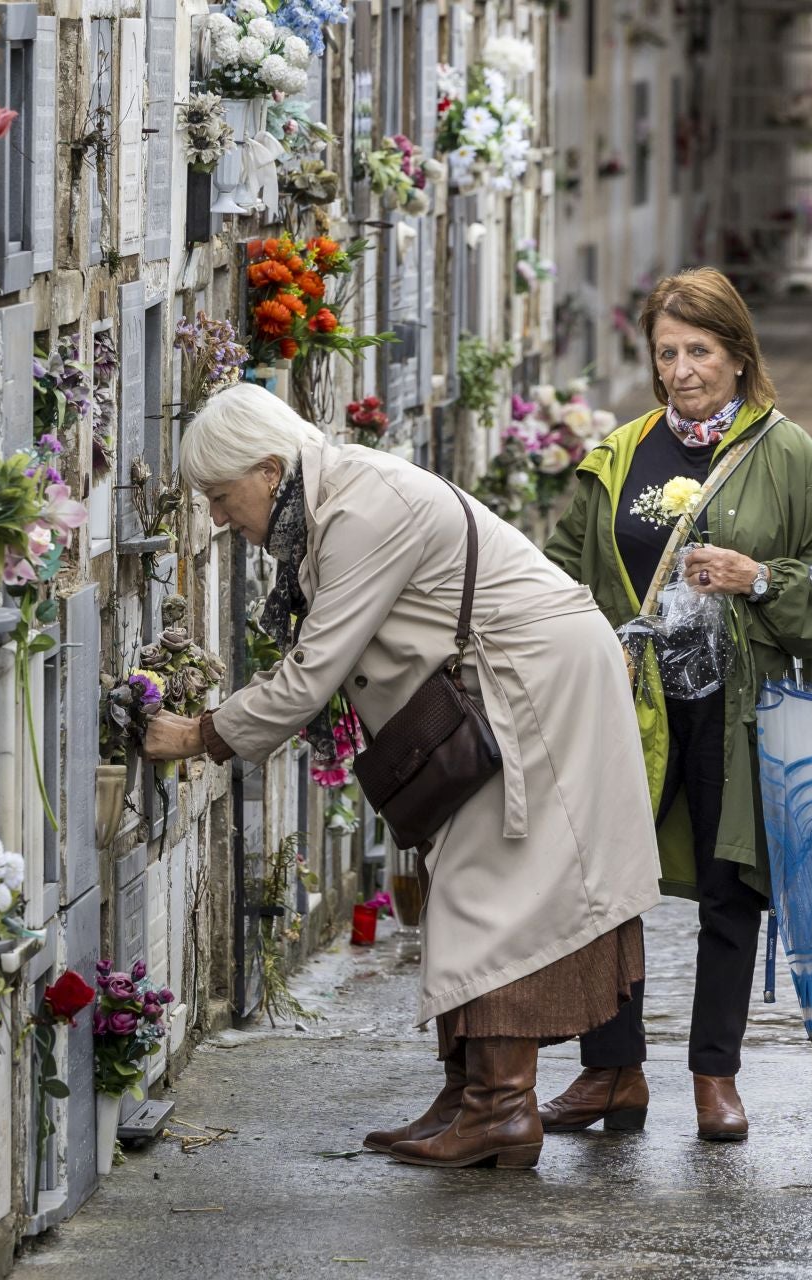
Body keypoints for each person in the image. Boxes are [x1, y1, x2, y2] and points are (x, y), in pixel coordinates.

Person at [144, 382, 662, 1170]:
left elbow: (316, 670)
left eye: (220, 496)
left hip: (535, 682)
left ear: (269, 469)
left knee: (496, 891)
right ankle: (469, 1095)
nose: (217, 517)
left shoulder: (361, 509)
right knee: (466, 878)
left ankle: (501, 1110)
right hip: (501, 680)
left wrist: (200, 734)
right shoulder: (332, 496)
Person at [541, 267, 812, 1141]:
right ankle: (612, 1070)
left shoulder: (786, 453)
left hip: (739, 708)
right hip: (632, 706)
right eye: (666, 352)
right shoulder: (621, 454)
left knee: (731, 889)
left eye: (700, 350)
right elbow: (563, 573)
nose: (682, 369)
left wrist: (759, 577)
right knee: (605, 880)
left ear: (736, 356)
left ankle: (713, 1080)